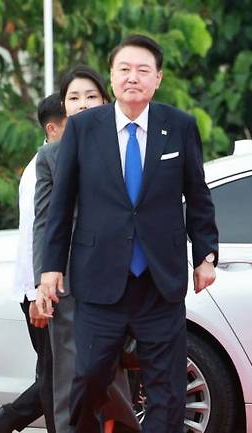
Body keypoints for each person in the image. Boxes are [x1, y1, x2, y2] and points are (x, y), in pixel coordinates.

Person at [38, 34, 219, 433]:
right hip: (99, 279)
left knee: (167, 388)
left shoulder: (180, 126)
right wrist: (50, 267)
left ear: (158, 79)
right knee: (88, 378)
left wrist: (206, 255)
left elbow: (199, 195)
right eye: (124, 70)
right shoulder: (84, 128)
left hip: (160, 281)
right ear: (112, 77)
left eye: (142, 70)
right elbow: (62, 202)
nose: (132, 77)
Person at [33, 65, 140, 433]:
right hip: (70, 282)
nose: (82, 104)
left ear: (106, 100)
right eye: (73, 98)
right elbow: (44, 223)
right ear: (64, 106)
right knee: (68, 372)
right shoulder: (50, 156)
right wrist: (43, 281)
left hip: (122, 276)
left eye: (90, 96)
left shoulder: (130, 144)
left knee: (112, 371)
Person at [0, 93, 66, 433]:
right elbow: (37, 235)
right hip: (42, 289)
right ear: (54, 129)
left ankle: (1, 422)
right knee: (57, 379)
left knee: (55, 376)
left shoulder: (55, 164)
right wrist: (39, 291)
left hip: (43, 288)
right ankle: (2, 421)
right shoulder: (42, 169)